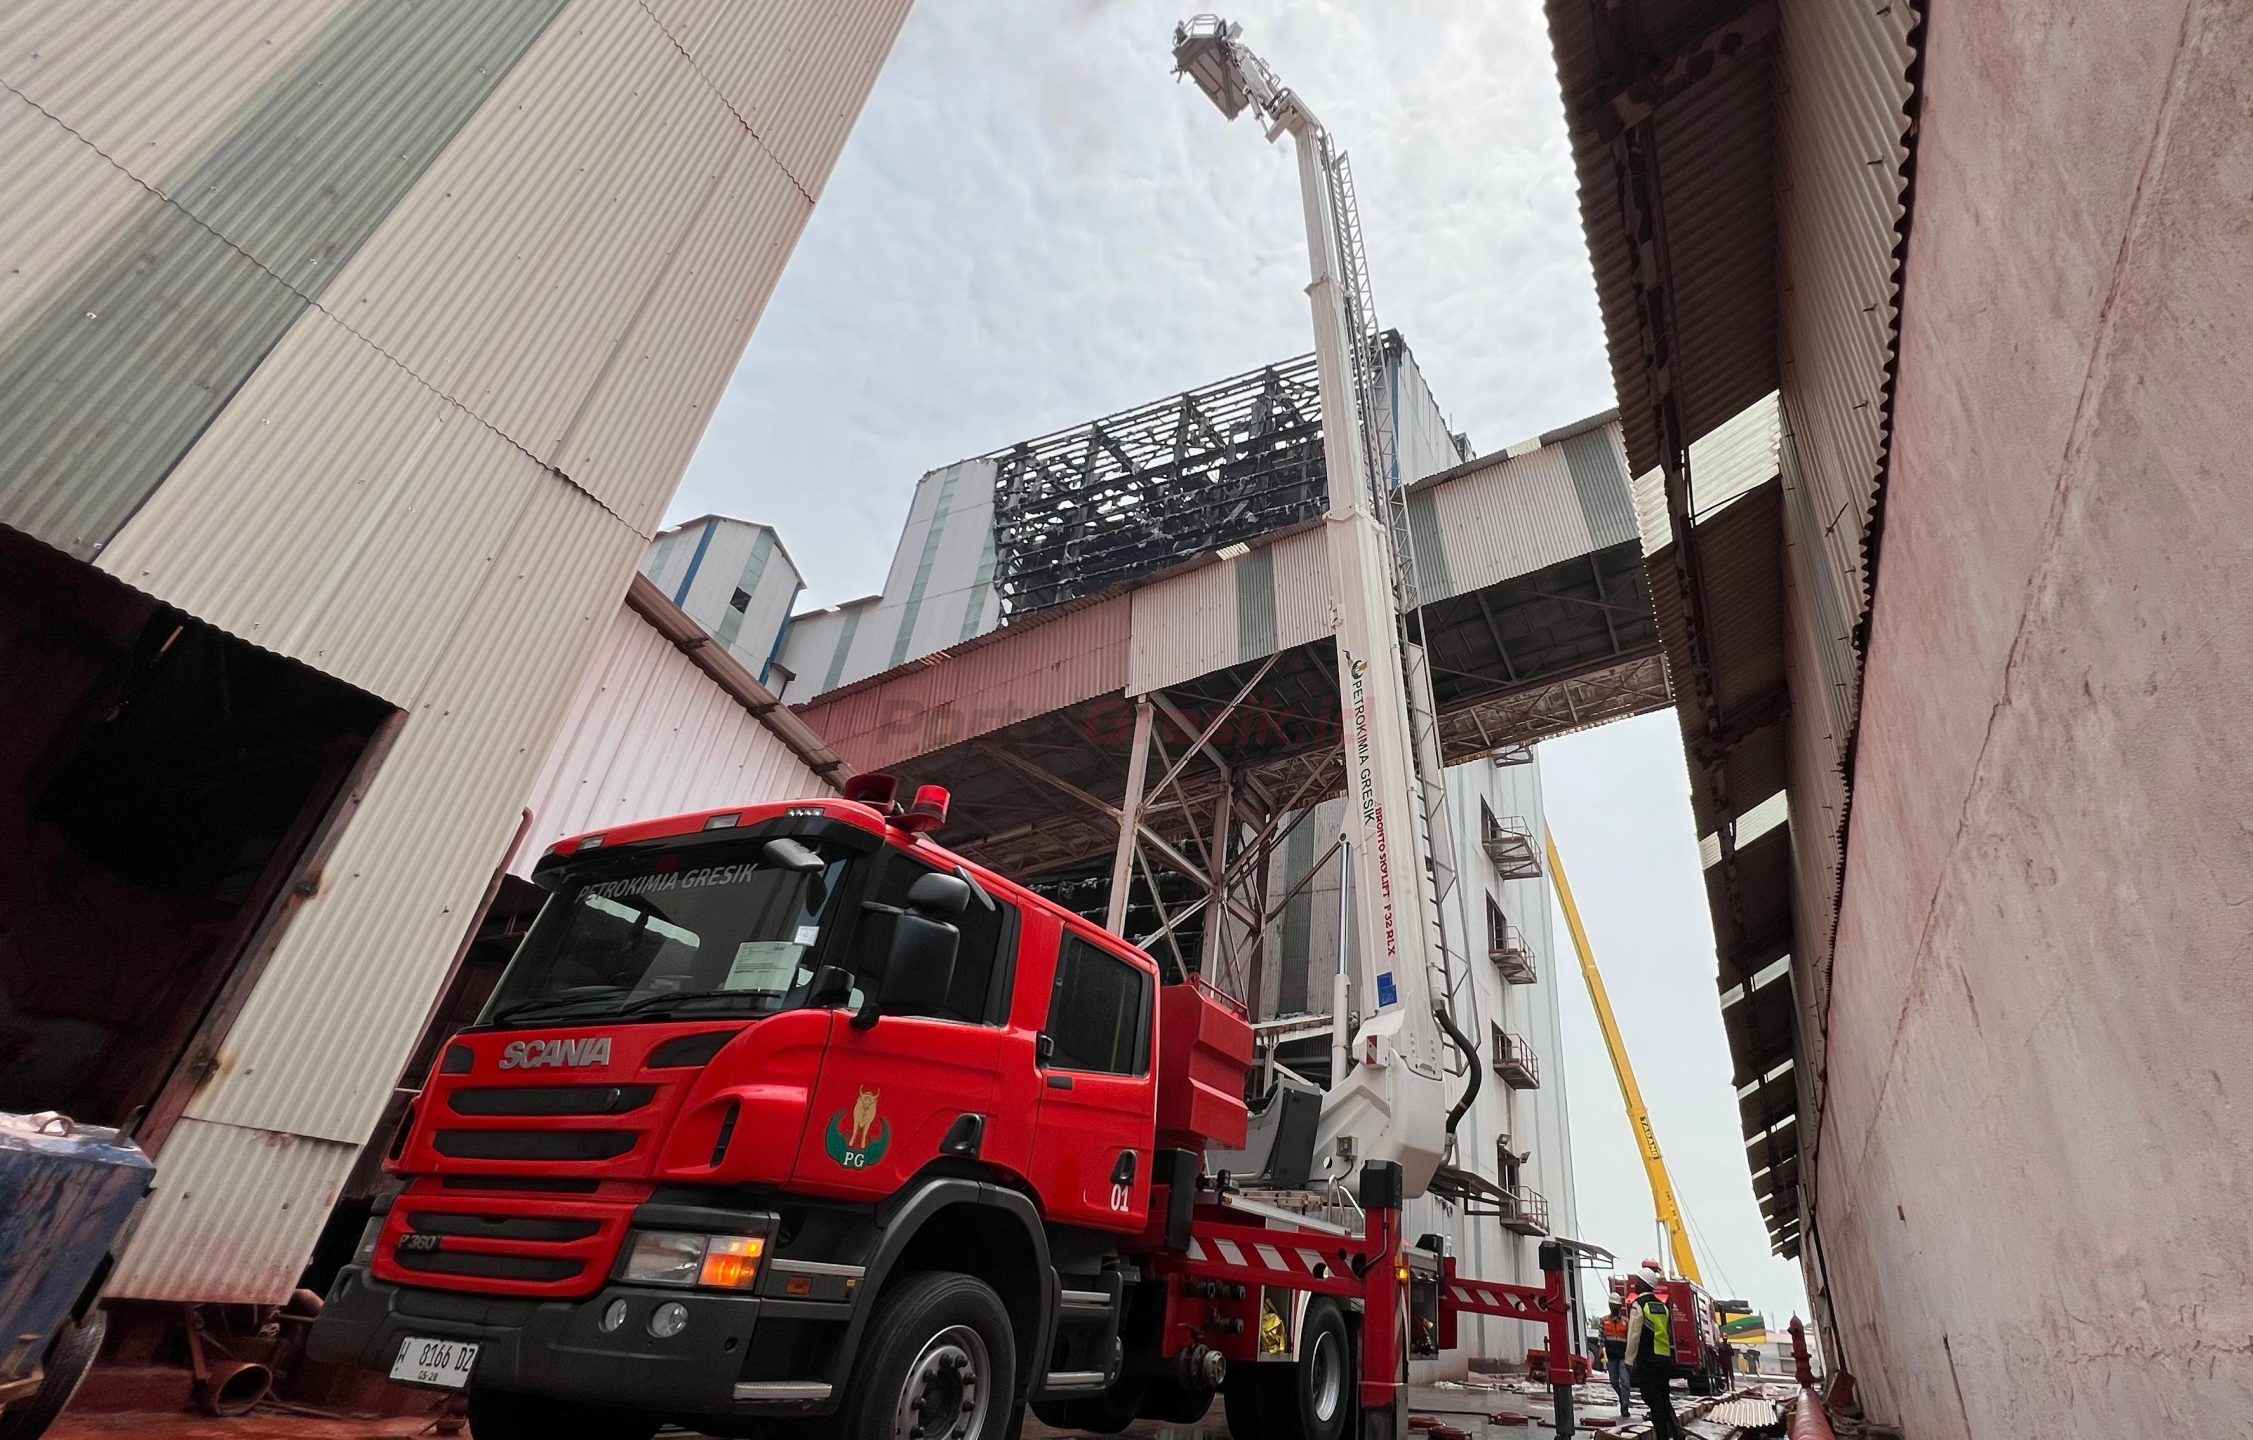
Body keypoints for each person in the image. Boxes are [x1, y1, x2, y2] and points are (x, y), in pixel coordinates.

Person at [1623, 1265, 1683, 1440]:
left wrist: (1629, 1361)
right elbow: (1666, 1333)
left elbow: (1634, 1336)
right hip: (1664, 1360)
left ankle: (1664, 1435)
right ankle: (1675, 1432)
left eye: (1637, 1281)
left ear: (1643, 1284)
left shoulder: (1639, 1305)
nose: (1635, 1284)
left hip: (1648, 1360)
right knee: (1663, 1399)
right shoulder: (1662, 1307)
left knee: (1652, 1398)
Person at [1600, 1298, 1632, 1416]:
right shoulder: (1604, 1321)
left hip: (1623, 1356)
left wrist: (1631, 1358)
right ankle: (1622, 1397)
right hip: (1611, 1357)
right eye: (1613, 1305)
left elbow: (1630, 1340)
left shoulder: (1626, 1322)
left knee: (1625, 1382)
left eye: (1617, 1306)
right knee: (1614, 1382)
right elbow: (1601, 1342)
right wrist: (1604, 1361)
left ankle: (1625, 1406)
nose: (1615, 1308)